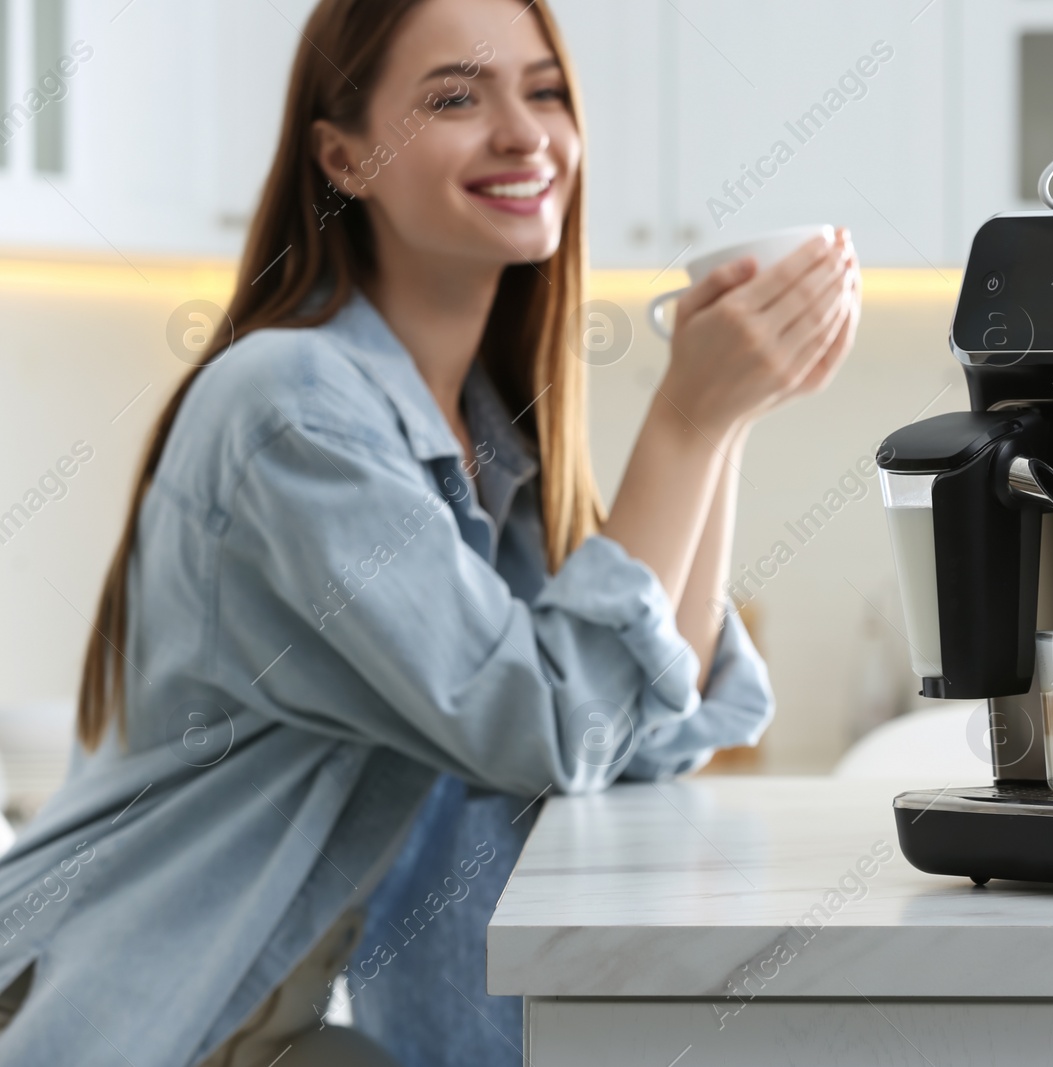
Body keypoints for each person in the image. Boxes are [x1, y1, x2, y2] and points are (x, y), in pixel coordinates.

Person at [0, 0, 860, 1063]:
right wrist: (686, 418)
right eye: (456, 96)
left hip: (267, 1028)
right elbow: (545, 720)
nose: (524, 131)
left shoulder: (488, 439)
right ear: (344, 156)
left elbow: (630, 732)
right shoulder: (292, 410)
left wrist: (722, 421)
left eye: (544, 90)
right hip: (132, 1025)